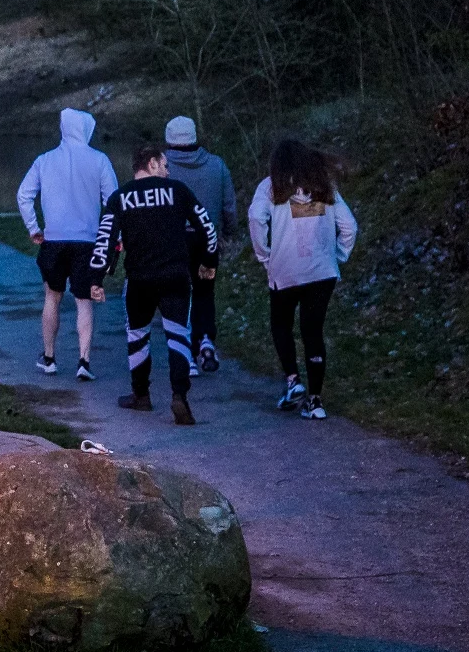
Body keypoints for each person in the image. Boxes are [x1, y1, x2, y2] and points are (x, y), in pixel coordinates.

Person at [82, 143, 220, 424]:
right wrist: (209, 262)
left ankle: (141, 395)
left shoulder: (120, 198)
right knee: (178, 335)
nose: (168, 171)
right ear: (153, 163)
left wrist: (96, 278)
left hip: (140, 279)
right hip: (176, 276)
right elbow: (207, 228)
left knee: (138, 336)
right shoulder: (178, 191)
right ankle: (179, 395)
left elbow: (105, 238)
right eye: (166, 165)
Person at [247, 140, 358, 420]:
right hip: (322, 271)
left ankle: (293, 380)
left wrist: (265, 256)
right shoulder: (323, 185)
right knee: (313, 331)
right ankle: (315, 401)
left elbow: (255, 218)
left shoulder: (271, 187)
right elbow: (349, 226)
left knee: (281, 324)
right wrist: (339, 256)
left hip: (285, 270)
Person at [16, 108, 119, 379]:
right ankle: (84, 361)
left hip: (54, 239)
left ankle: (49, 357)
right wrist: (113, 237)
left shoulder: (44, 160)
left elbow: (24, 195)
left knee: (53, 297)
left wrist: (34, 227)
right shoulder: (100, 160)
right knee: (84, 300)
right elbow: (113, 202)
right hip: (88, 241)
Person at [160, 116, 236, 374]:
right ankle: (205, 339)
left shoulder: (162, 166)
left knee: (179, 293)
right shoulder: (217, 165)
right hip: (208, 242)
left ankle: (187, 355)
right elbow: (229, 206)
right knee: (205, 290)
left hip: (175, 243)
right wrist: (227, 232)